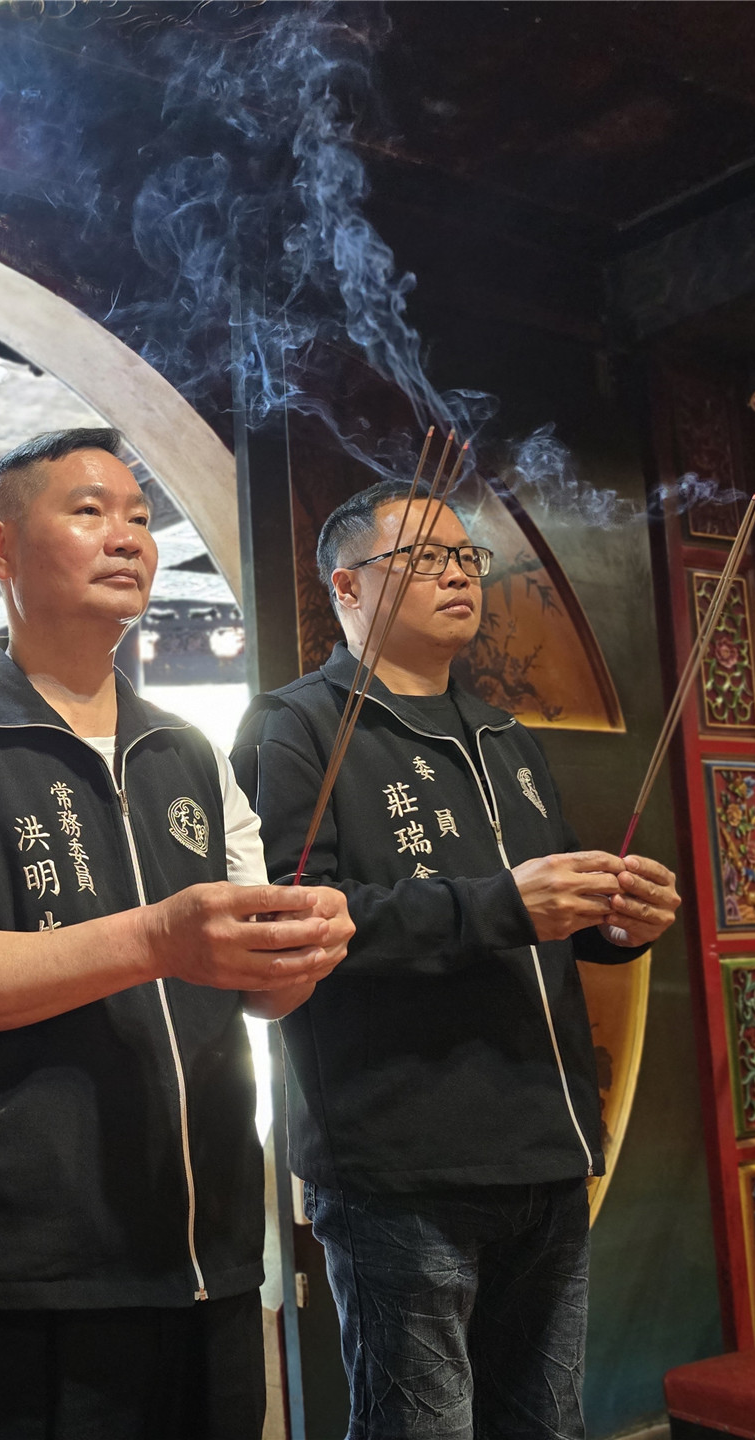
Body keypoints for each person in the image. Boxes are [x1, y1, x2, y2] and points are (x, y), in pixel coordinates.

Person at [0, 427, 355, 1440]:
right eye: (88, 510)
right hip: (23, 1267)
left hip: (208, 1246)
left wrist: (299, 952)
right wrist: (157, 940)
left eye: (139, 517)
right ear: (1, 548)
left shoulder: (188, 750)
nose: (127, 536)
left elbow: (257, 988)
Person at [231, 479, 682, 1440]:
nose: (457, 576)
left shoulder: (504, 734)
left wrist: (615, 924)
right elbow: (291, 921)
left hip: (546, 1145)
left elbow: (538, 919)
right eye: (423, 558)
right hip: (404, 1159)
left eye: (466, 557)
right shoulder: (297, 726)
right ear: (347, 585)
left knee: (546, 1422)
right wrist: (503, 904)